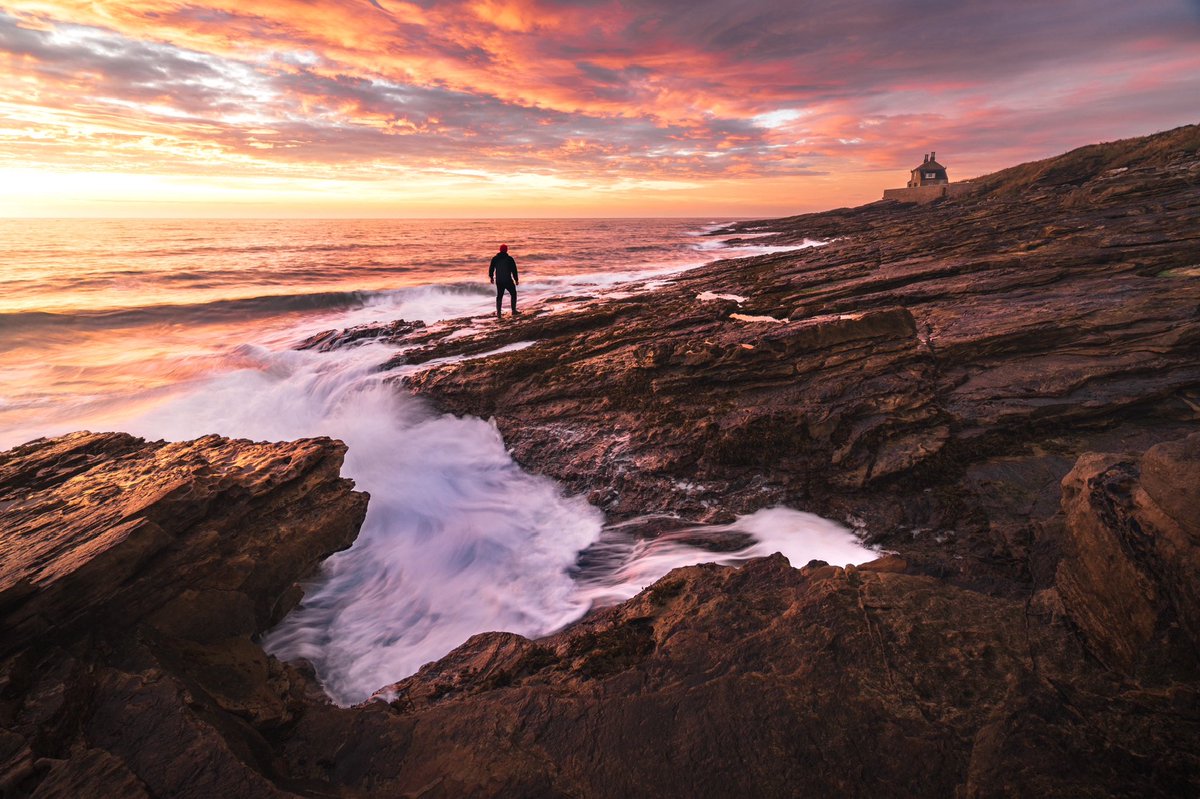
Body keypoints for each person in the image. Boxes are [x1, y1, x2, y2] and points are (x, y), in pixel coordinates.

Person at [489, 243, 519, 318]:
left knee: (499, 296)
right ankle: (514, 311)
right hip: (507, 280)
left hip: (499, 281)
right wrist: (516, 279)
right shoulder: (509, 259)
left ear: (500, 250)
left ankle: (498, 313)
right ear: (506, 250)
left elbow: (491, 268)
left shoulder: (495, 258)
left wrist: (491, 277)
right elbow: (514, 270)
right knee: (513, 293)